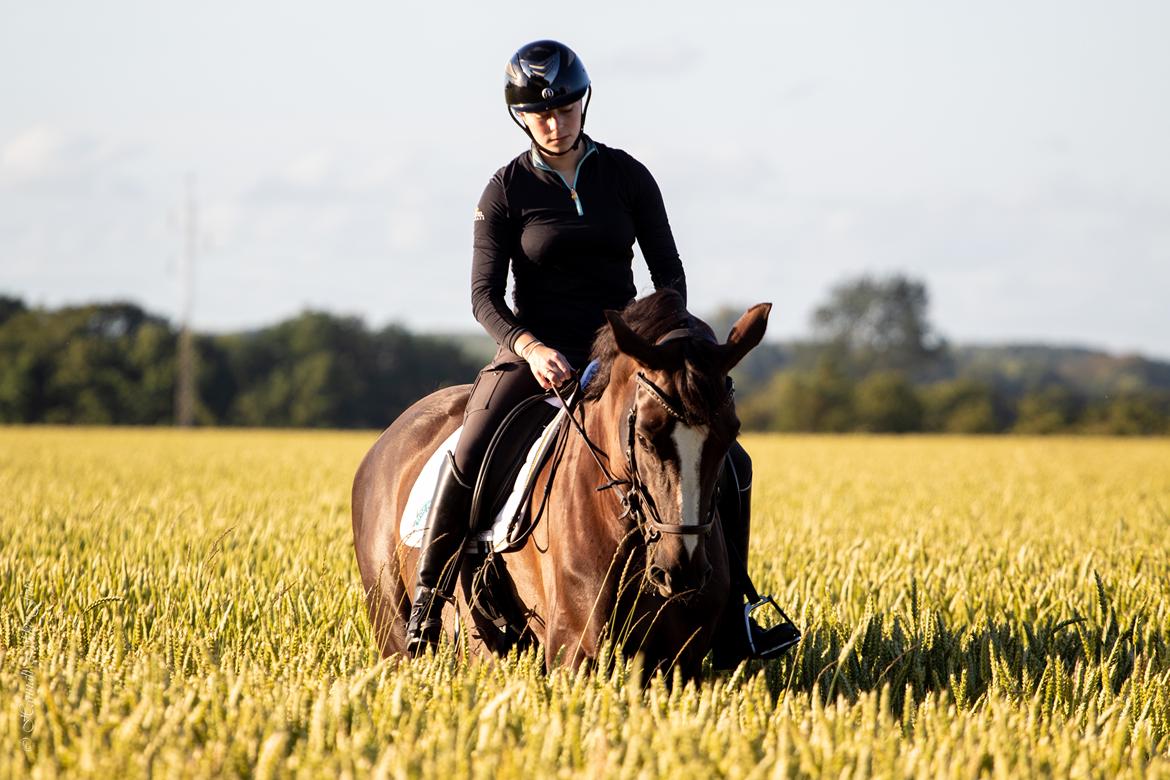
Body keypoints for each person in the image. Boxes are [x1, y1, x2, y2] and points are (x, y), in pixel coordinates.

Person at [405, 40, 754, 659]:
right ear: (520, 117)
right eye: (538, 114)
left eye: (565, 108)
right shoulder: (505, 190)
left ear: (582, 103)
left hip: (622, 351)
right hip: (535, 352)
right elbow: (483, 295)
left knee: (733, 462)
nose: (553, 122)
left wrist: (648, 345)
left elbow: (668, 276)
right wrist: (530, 347)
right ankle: (429, 602)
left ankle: (735, 614)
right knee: (471, 448)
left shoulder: (627, 176)